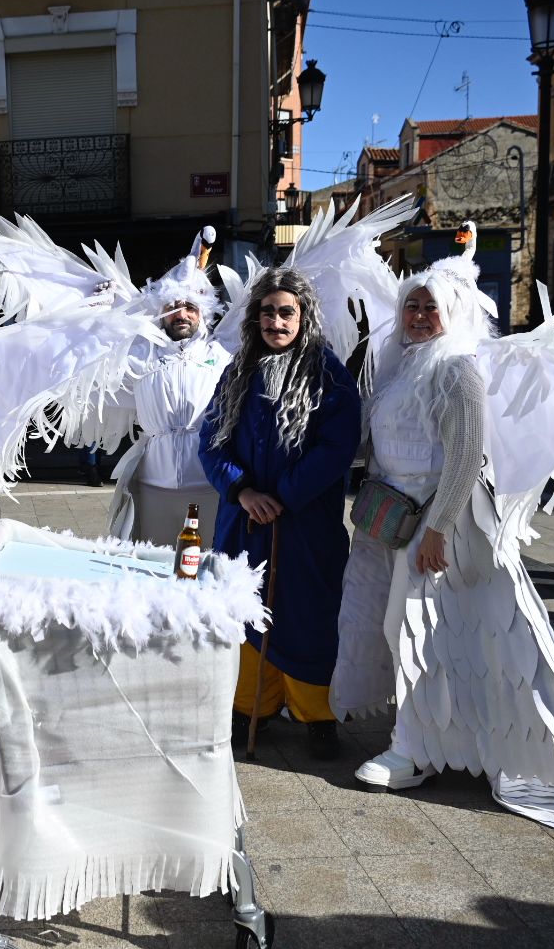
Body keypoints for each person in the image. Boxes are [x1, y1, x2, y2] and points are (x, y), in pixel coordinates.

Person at [328, 242, 554, 833]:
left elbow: (465, 456)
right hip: (393, 519)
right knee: (409, 632)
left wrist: (438, 527)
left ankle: (413, 752)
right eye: (411, 306)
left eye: (429, 309)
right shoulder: (397, 364)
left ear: (454, 314)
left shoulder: (458, 368)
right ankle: (428, 739)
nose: (416, 317)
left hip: (442, 522)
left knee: (416, 629)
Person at [199, 265, 362, 760]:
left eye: (286, 312)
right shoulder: (236, 371)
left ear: (303, 316)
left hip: (304, 523)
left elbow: (336, 448)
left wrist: (285, 497)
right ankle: (253, 707)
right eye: (267, 312)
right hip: (244, 520)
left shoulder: (328, 373)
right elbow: (211, 442)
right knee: (243, 610)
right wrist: (243, 491)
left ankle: (317, 714)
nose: (276, 321)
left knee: (306, 613)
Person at [102, 228, 230, 546]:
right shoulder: (140, 353)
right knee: (153, 573)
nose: (181, 314)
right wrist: (100, 307)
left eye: (190, 307)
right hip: (152, 486)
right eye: (172, 306)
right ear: (159, 312)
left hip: (208, 487)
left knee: (204, 572)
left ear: (204, 313)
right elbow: (98, 348)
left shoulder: (224, 355)